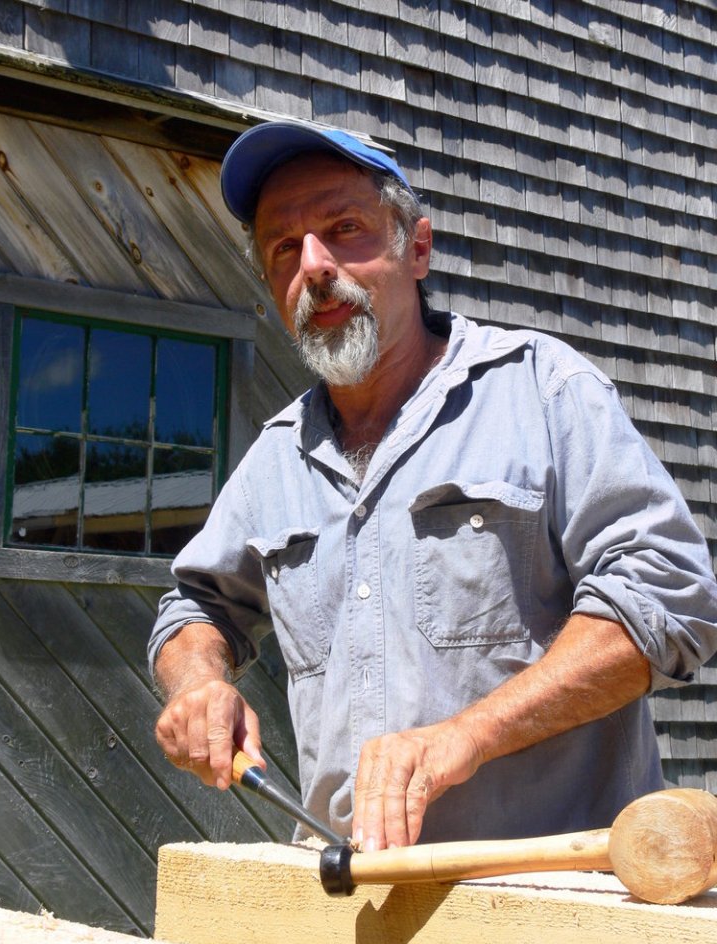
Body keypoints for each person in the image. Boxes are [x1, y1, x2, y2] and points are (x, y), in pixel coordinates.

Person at [149, 120, 717, 852]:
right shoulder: (276, 461)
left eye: (343, 228)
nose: (314, 265)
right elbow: (193, 605)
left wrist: (470, 736)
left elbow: (669, 591)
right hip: (347, 904)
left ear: (416, 247)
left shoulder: (542, 392)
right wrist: (196, 683)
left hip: (555, 900)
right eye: (284, 246)